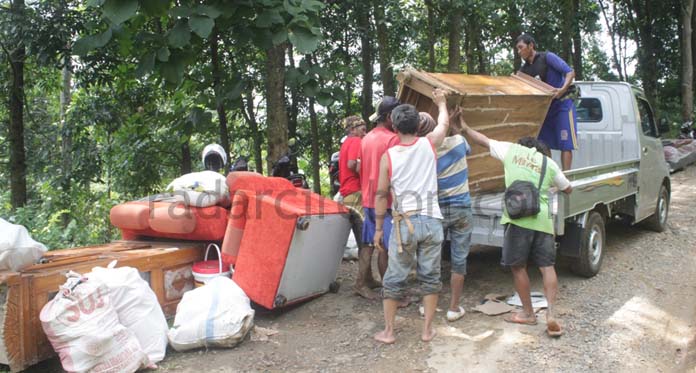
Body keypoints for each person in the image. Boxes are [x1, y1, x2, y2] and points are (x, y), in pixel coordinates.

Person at [460, 121, 572, 337]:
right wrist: (551, 186)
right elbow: (568, 188)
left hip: (517, 220)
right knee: (547, 266)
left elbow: (481, 139)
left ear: (522, 145)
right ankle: (550, 313)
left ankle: (528, 313)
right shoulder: (548, 163)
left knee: (518, 267)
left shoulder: (511, 150)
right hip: (542, 221)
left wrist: (464, 127)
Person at [373, 89, 450, 344]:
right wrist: (441, 103)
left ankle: (389, 332)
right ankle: (427, 330)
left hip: (402, 224)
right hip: (431, 220)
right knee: (430, 277)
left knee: (395, 278)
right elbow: (443, 124)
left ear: (393, 125)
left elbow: (382, 194)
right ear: (418, 124)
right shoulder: (429, 144)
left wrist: (378, 229)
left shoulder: (389, 157)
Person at [418, 111, 472, 322]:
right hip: (461, 208)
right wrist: (456, 125)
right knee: (459, 259)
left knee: (430, 258)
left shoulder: (422, 151)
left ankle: (426, 306)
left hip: (435, 210)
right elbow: (467, 148)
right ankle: (453, 308)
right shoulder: (459, 141)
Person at [516, 34, 578, 171]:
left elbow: (570, 72)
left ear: (531, 45)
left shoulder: (547, 57)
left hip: (563, 104)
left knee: (565, 144)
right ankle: (550, 175)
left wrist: (562, 89)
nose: (519, 52)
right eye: (517, 49)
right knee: (544, 144)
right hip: (546, 110)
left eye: (521, 47)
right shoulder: (524, 71)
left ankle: (565, 177)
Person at [338, 115, 379, 299]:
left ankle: (368, 278)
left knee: (362, 238)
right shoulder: (355, 141)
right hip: (355, 194)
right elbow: (352, 164)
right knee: (368, 242)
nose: (364, 129)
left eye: (364, 126)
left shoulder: (347, 142)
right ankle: (360, 284)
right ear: (352, 129)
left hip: (348, 195)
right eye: (360, 126)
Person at [361, 97, 400, 281]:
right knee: (389, 250)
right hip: (385, 201)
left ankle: (387, 289)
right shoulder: (392, 140)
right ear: (390, 116)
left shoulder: (367, 138)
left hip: (368, 199)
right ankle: (392, 293)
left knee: (381, 248)